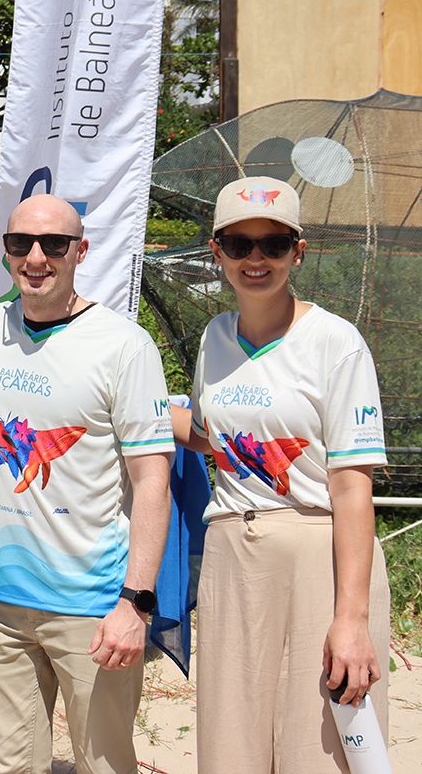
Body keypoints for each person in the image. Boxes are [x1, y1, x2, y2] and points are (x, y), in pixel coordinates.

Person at [172, 177, 390, 774]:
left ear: (300, 250)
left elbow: (352, 488)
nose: (255, 259)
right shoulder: (216, 338)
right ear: (215, 252)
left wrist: (351, 619)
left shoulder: (336, 344)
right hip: (231, 557)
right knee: (229, 746)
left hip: (316, 554)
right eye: (238, 244)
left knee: (316, 751)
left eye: (272, 243)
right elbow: (226, 442)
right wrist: (155, 414)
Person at [0, 193, 173, 774]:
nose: (36, 258)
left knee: (102, 765)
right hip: (2, 605)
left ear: (80, 251)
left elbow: (152, 480)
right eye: (20, 244)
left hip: (92, 607)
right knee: (10, 766)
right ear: (5, 253)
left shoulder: (124, 345)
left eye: (53, 244)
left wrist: (135, 602)